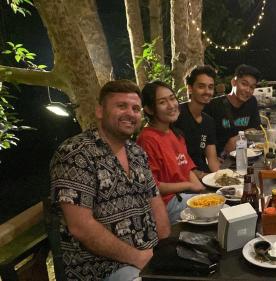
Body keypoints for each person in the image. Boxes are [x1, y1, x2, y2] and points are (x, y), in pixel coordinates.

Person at [49, 80, 170, 281]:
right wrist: (138, 258)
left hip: (147, 256)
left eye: (135, 108)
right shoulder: (75, 153)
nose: (130, 113)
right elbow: (81, 227)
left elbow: (155, 201)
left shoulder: (137, 152)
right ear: (99, 111)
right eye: (121, 106)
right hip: (101, 268)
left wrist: (165, 249)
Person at [137, 81, 205, 223]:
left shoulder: (175, 133)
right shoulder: (147, 139)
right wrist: (191, 186)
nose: (171, 105)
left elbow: (187, 169)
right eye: (162, 102)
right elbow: (153, 186)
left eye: (172, 98)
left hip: (184, 195)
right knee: (223, 210)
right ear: (149, 109)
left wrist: (201, 190)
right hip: (166, 204)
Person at [204, 64, 262, 155]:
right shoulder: (213, 105)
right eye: (244, 84)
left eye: (252, 87)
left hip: (245, 154)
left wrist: (238, 138)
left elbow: (254, 127)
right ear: (234, 82)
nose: (248, 90)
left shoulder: (252, 101)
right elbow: (205, 138)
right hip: (220, 158)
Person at [175, 65, 220, 179]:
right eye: (201, 86)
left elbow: (212, 160)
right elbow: (173, 160)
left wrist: (221, 177)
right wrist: (203, 176)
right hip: (184, 180)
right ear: (190, 88)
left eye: (210, 87)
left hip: (204, 176)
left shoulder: (208, 121)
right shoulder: (176, 115)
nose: (207, 91)